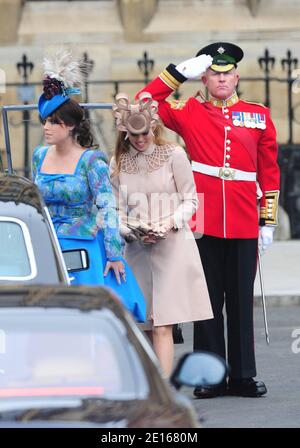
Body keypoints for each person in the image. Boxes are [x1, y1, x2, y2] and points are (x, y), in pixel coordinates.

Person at [137, 42, 280, 396]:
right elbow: (143, 103)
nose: (221, 78)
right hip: (203, 218)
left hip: (246, 216)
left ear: (236, 76)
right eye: (214, 72)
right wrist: (175, 74)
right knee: (206, 299)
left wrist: (269, 221)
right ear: (204, 76)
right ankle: (210, 375)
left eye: (226, 72)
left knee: (241, 300)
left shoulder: (257, 114)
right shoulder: (189, 111)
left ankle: (243, 375)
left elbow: (269, 170)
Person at [31, 50, 146, 323]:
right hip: (47, 245)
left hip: (82, 246)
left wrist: (114, 254)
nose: (46, 128)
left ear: (69, 125)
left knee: (87, 316)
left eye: (52, 122)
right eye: (44, 121)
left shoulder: (91, 161)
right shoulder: (39, 155)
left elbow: (107, 206)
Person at [109, 92, 213, 377]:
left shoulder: (174, 154)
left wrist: (168, 224)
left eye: (145, 133)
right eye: (134, 135)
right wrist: (129, 230)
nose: (140, 140)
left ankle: (164, 393)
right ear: (125, 132)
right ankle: (145, 387)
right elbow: (113, 211)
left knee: (163, 322)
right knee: (141, 322)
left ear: (153, 126)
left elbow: (191, 201)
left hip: (172, 245)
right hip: (137, 249)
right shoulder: (116, 163)